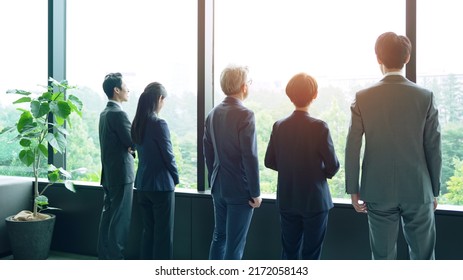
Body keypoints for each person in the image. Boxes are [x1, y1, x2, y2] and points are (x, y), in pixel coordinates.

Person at [345, 32, 442, 260]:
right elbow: (434, 148)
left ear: (378, 58)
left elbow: (352, 146)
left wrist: (353, 189)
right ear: (407, 58)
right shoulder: (425, 96)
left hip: (378, 190)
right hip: (419, 189)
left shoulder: (362, 97)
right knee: (424, 258)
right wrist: (434, 190)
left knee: (383, 258)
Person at [264, 73, 340, 260]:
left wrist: (291, 168)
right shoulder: (319, 127)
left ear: (290, 95)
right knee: (311, 254)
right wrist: (316, 172)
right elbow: (333, 166)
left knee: (289, 252)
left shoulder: (279, 126)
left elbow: (269, 161)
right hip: (315, 200)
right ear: (314, 95)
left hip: (288, 199)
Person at [203, 64, 262, 260]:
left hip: (218, 185)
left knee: (219, 237)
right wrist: (255, 192)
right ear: (244, 86)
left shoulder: (212, 114)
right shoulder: (246, 114)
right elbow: (250, 157)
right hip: (239, 189)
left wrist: (213, 180)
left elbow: (208, 153)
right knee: (235, 245)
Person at [131, 82, 179, 260]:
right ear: (159, 99)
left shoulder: (137, 122)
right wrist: (175, 177)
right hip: (161, 186)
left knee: (148, 232)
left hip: (143, 185)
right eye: (163, 100)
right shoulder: (159, 123)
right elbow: (168, 155)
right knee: (163, 236)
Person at [98, 72, 135, 260]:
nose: (128, 89)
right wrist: (133, 146)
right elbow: (132, 141)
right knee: (120, 221)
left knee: (108, 219)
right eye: (125, 86)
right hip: (122, 175)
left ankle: (105, 258)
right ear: (116, 90)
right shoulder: (119, 113)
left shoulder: (104, 114)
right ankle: (116, 261)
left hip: (109, 174)